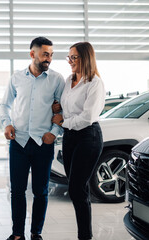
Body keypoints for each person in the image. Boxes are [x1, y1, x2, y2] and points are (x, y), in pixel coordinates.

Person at [0, 37, 65, 240]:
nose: (49, 59)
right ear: (32, 54)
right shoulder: (17, 77)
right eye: (45, 54)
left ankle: (36, 233)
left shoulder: (57, 79)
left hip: (42, 144)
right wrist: (6, 124)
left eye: (51, 55)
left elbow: (62, 110)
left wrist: (53, 133)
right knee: (17, 191)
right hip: (18, 142)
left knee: (41, 191)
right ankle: (17, 234)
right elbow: (4, 105)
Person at [51, 42, 105, 240]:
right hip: (70, 137)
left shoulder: (95, 83)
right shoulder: (69, 80)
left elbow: (87, 117)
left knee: (76, 188)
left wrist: (63, 121)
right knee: (76, 187)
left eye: (74, 57)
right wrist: (59, 109)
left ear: (86, 58)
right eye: (69, 57)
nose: (70, 61)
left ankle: (85, 236)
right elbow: (68, 107)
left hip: (88, 137)